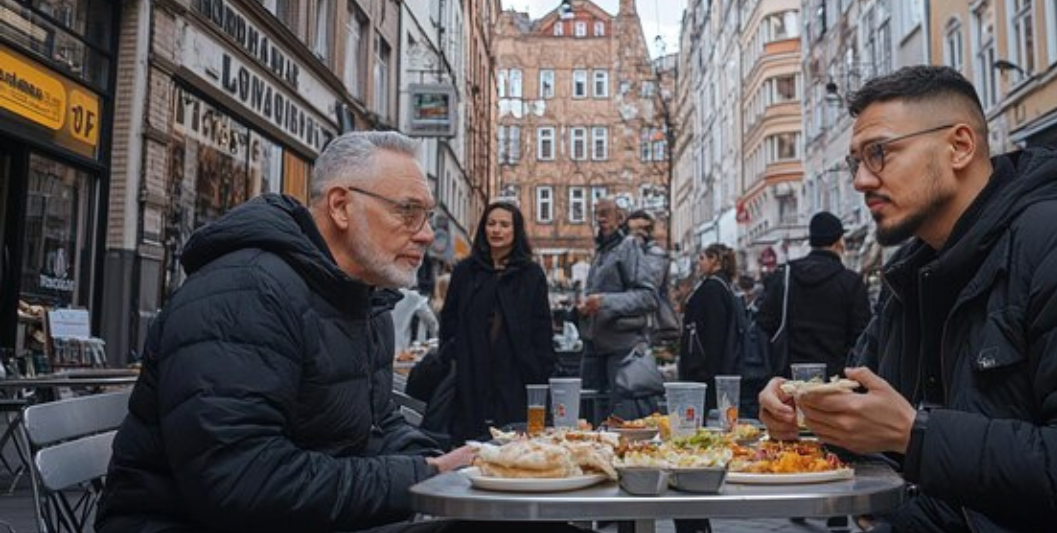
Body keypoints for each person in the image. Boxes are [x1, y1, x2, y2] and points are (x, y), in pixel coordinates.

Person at [758, 66, 1057, 533]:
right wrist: (804, 417)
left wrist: (916, 435)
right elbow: (874, 421)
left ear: (960, 146)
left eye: (879, 153)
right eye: (855, 163)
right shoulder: (913, 276)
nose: (861, 181)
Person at [97, 132, 546, 533]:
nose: (427, 235)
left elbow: (375, 423)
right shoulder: (246, 292)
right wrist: (423, 473)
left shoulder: (358, 297)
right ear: (340, 205)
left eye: (426, 216)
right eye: (408, 212)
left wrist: (465, 467)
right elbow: (242, 481)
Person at [438, 201, 554, 444]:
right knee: (470, 437)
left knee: (516, 437)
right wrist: (451, 352)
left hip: (516, 369)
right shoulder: (466, 271)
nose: (496, 230)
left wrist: (540, 367)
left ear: (516, 231)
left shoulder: (530, 274)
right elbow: (449, 318)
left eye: (504, 225)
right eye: (491, 224)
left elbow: (541, 325)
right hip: (471, 368)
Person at [757, 211, 870, 382]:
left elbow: (764, 321)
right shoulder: (850, 282)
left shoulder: (786, 276)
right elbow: (862, 336)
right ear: (839, 241)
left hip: (790, 379)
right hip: (837, 382)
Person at [577, 197, 660, 419]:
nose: (601, 218)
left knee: (624, 423)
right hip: (596, 348)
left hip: (623, 353)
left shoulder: (628, 246)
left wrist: (604, 302)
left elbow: (649, 296)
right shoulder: (602, 252)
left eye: (606, 212)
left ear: (620, 217)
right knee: (591, 419)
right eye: (597, 213)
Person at [679, 244, 739, 410]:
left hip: (704, 368)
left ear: (714, 260)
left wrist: (706, 368)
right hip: (711, 367)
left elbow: (714, 332)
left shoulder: (712, 288)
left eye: (702, 258)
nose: (699, 263)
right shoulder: (722, 285)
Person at [626, 209, 681, 345]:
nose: (636, 234)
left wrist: (635, 247)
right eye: (632, 230)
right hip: (633, 321)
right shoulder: (627, 251)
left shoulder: (656, 254)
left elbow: (648, 283)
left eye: (640, 229)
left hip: (653, 323)